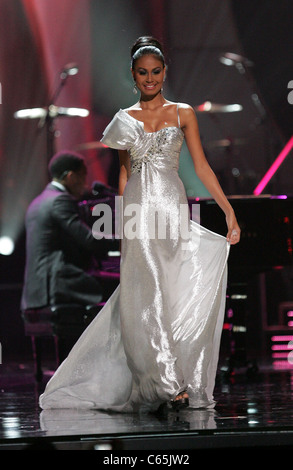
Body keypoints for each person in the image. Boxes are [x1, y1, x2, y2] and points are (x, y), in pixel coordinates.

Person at [39, 36, 240, 414]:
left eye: (156, 72)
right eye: (143, 73)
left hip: (173, 209)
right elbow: (125, 174)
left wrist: (228, 210)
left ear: (165, 72)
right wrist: (123, 219)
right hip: (138, 212)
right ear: (133, 76)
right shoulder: (123, 120)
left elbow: (201, 166)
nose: (150, 79)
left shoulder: (184, 114)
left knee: (172, 290)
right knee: (145, 295)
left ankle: (172, 374)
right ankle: (165, 383)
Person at [21, 150, 104, 310]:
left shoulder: (39, 201)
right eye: (83, 176)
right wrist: (126, 240)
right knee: (119, 293)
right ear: (71, 176)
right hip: (57, 287)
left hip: (35, 292)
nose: (85, 184)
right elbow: (89, 240)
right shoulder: (60, 200)